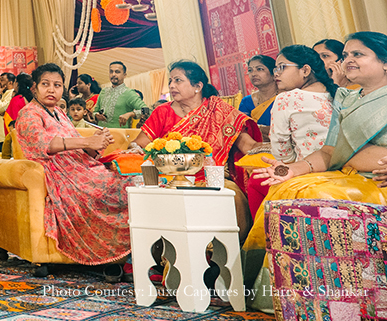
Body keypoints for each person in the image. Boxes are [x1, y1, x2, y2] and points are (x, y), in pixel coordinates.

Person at [247, 33, 387, 240]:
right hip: (348, 175)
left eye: (358, 54)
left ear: (384, 62)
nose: (348, 60)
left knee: (315, 198)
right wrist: (291, 170)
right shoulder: (346, 99)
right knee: (288, 190)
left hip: (377, 183)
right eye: (346, 54)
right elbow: (329, 151)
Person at [15, 63, 129, 280]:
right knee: (119, 187)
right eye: (45, 84)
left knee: (130, 180)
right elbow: (43, 144)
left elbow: (77, 146)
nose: (52, 90)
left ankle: (129, 255)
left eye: (57, 85)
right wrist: (86, 140)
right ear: (34, 88)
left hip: (82, 167)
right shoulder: (28, 113)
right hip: (61, 174)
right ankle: (115, 256)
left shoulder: (59, 112)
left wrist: (96, 144)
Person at [132, 60, 262, 234]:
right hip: (167, 178)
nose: (171, 86)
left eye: (178, 80)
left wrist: (281, 149)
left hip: (212, 178)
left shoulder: (219, 110)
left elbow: (248, 146)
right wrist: (138, 149)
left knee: (232, 196)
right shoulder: (162, 112)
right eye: (170, 81)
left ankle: (227, 252)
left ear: (198, 86)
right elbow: (140, 143)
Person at [93, 60, 146, 128]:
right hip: (101, 133)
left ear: (124, 75)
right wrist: (96, 115)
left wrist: (131, 114)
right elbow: (95, 111)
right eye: (111, 72)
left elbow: (147, 110)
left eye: (117, 72)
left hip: (120, 135)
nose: (113, 74)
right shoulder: (104, 91)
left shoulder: (129, 93)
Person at [238, 54, 278, 128]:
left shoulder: (284, 98)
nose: (253, 74)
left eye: (259, 69)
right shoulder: (246, 102)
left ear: (273, 73)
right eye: (250, 70)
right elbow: (242, 129)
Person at [2, 73, 34, 157]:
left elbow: (12, 121)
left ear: (18, 84)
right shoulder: (32, 99)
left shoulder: (16, 100)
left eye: (15, 82)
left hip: (19, 140)